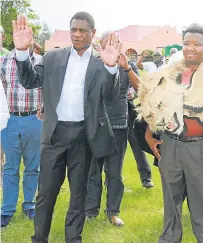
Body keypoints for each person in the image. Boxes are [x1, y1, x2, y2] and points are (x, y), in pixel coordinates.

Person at [12, 13, 121, 242]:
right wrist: (22, 53)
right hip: (54, 135)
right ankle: (39, 238)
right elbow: (30, 81)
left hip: (84, 136)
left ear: (93, 32)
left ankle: (74, 239)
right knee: (46, 194)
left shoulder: (101, 62)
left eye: (82, 30)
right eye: (73, 30)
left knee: (78, 195)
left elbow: (111, 98)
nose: (77, 34)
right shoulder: (53, 57)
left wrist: (111, 68)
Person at [139, 23, 203, 243]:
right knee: (170, 202)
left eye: (196, 44)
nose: (190, 48)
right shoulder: (171, 74)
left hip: (202, 148)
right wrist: (149, 135)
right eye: (186, 43)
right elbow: (156, 106)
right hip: (170, 145)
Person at [85, 31, 140, 226]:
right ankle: (90, 210)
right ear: (99, 44)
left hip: (118, 125)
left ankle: (113, 212)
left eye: (114, 42)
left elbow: (141, 88)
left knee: (114, 172)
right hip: (96, 125)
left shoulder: (127, 64)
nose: (110, 46)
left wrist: (127, 69)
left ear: (120, 44)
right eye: (106, 42)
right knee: (93, 170)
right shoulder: (92, 64)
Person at [0, 37, 43, 228]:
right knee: (10, 167)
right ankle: (7, 209)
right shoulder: (4, 61)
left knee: (33, 167)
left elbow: (51, 88)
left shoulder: (42, 62)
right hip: (10, 120)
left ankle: (29, 205)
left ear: (32, 40)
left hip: (35, 119)